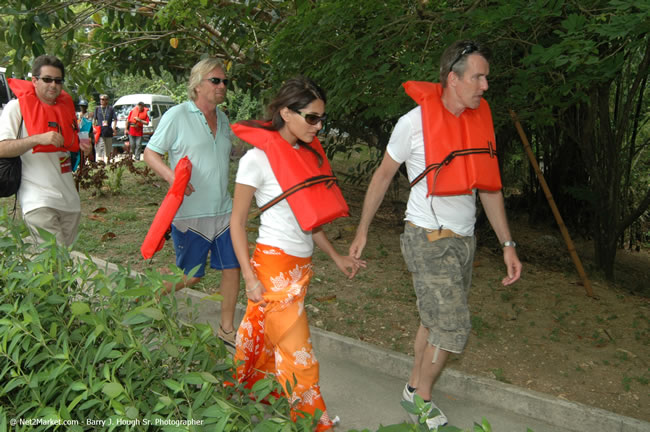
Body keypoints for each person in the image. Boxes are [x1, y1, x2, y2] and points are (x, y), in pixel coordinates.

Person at [349, 40, 522, 429]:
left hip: (463, 240)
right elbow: (382, 176)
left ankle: (414, 386)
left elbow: (489, 187)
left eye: (486, 78)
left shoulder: (479, 122)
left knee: (433, 320)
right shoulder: (413, 124)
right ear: (453, 79)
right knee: (453, 324)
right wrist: (361, 230)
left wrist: (508, 244)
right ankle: (421, 400)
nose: (485, 85)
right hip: (426, 237)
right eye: (478, 77)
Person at [229, 77, 365, 430]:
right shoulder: (255, 160)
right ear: (286, 113)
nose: (318, 126)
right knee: (297, 350)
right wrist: (249, 277)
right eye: (312, 118)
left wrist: (336, 257)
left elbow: (309, 219)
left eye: (322, 119)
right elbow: (237, 222)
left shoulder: (305, 156)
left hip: (300, 264)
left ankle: (247, 394)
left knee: (260, 334)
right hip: (272, 266)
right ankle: (316, 424)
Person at [143, 58, 241, 350]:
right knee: (191, 276)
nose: (222, 85)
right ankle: (145, 296)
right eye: (216, 80)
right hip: (191, 214)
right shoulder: (178, 115)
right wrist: (175, 180)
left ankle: (226, 329)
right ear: (197, 84)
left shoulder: (223, 119)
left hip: (224, 211)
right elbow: (150, 154)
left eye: (225, 81)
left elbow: (227, 152)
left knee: (232, 268)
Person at [0, 55, 92, 246]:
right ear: (34, 80)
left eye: (58, 81)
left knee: (61, 266)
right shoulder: (16, 108)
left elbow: (71, 149)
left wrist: (86, 148)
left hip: (69, 201)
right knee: (55, 262)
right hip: (38, 200)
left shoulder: (66, 110)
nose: (53, 85)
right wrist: (37, 139)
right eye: (47, 79)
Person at [93, 93, 116, 163]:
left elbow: (115, 119)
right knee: (101, 145)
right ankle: (101, 160)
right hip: (100, 130)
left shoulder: (111, 109)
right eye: (101, 99)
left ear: (107, 100)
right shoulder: (97, 109)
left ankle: (108, 159)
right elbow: (94, 119)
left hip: (108, 130)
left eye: (103, 99)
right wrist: (93, 128)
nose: (102, 101)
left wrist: (114, 128)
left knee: (108, 146)